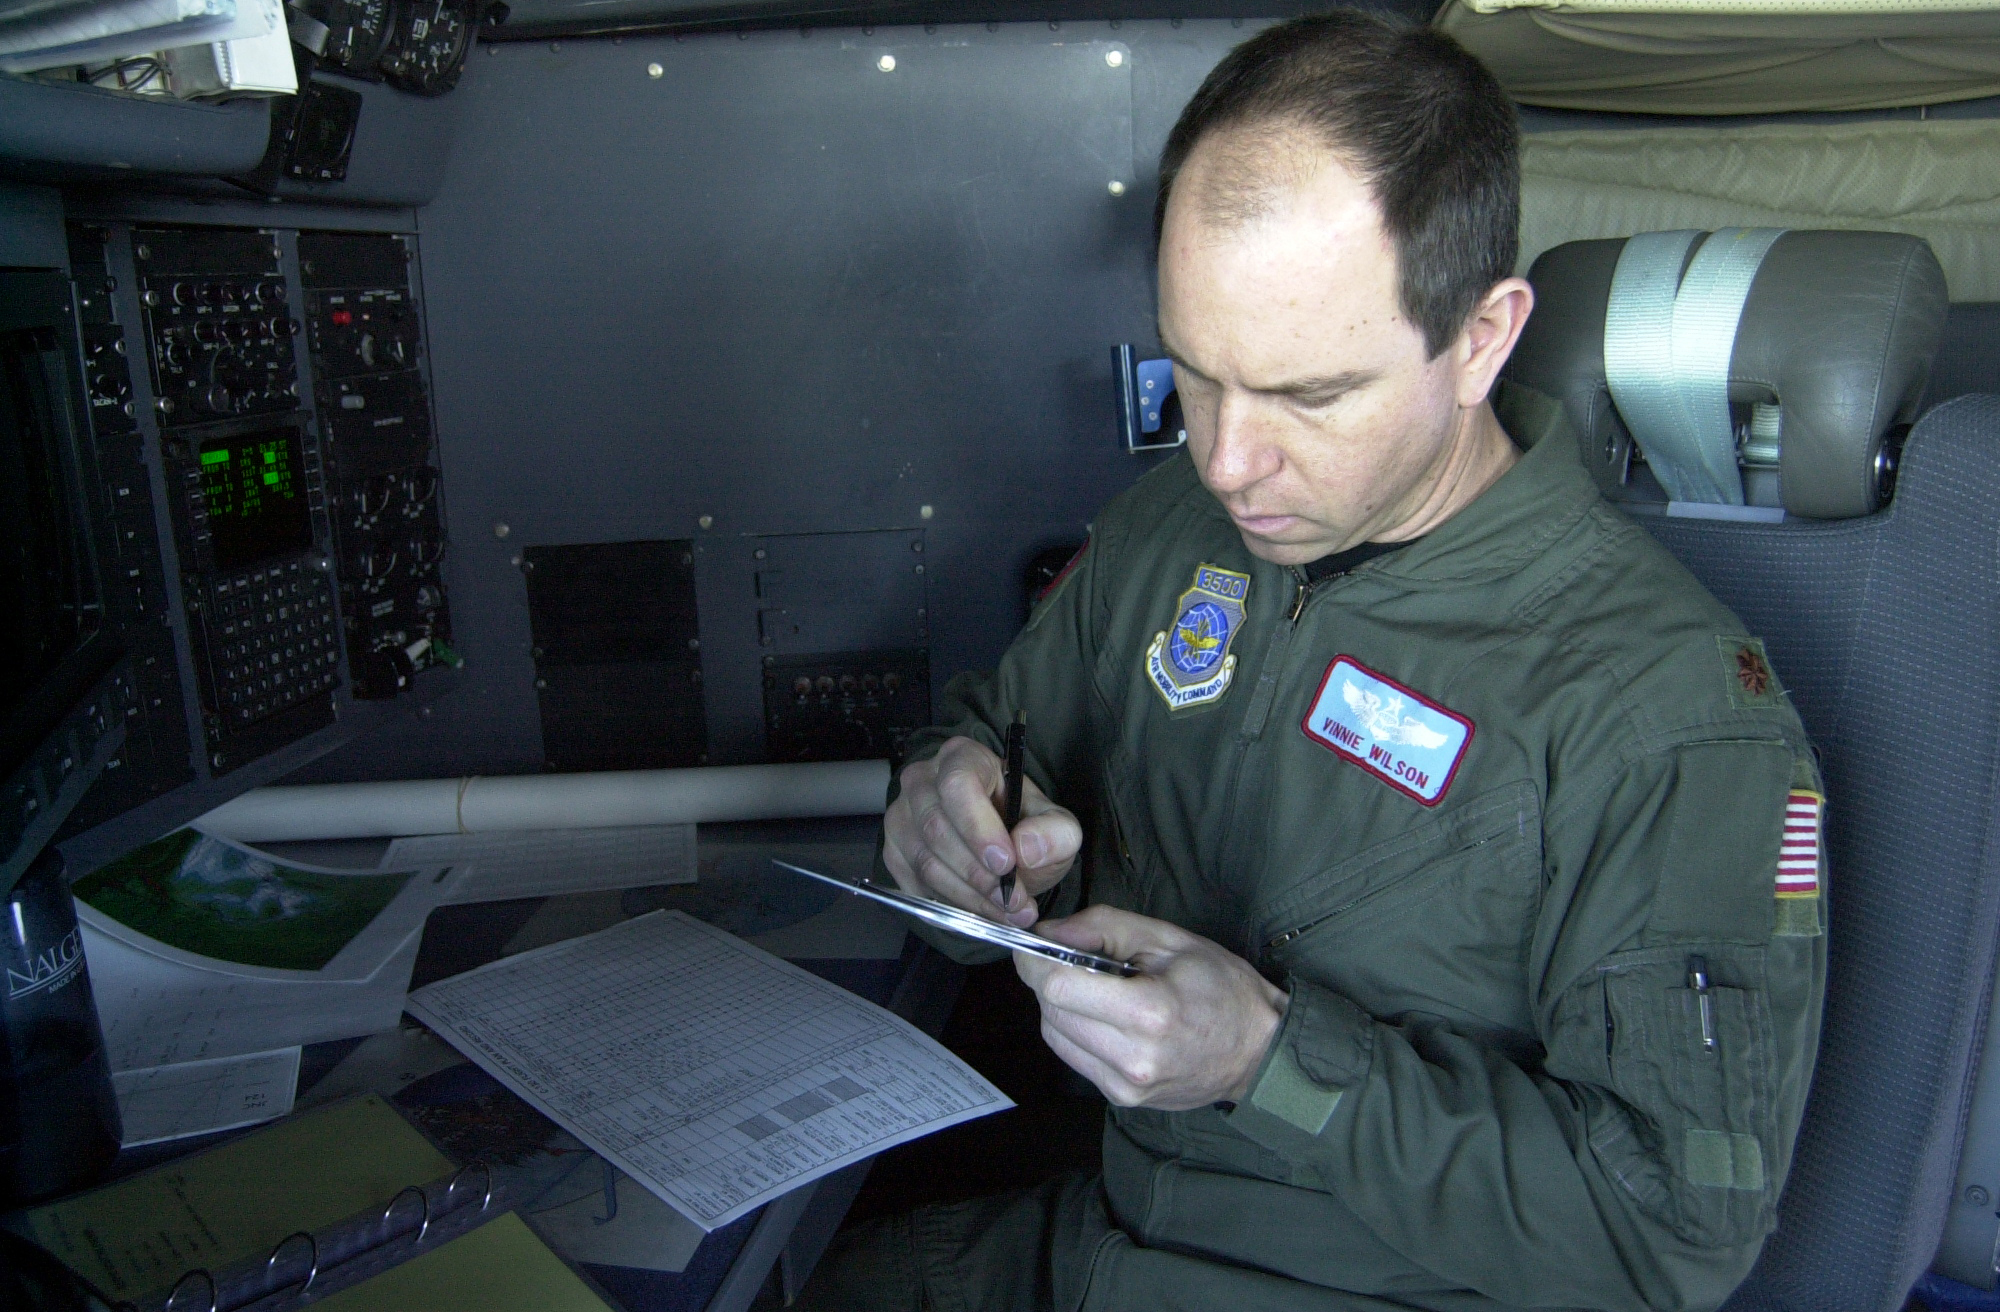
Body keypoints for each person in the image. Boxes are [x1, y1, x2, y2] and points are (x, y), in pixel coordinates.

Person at [800, 12, 1827, 1312]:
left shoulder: (1665, 717)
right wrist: (950, 809)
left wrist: (1270, 1059)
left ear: (1481, 339)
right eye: (1200, 373)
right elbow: (992, 746)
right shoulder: (1175, 533)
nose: (1228, 460)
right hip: (1091, 1248)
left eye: (1311, 395)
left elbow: (1667, 1237)